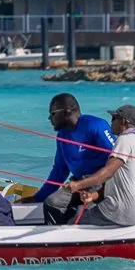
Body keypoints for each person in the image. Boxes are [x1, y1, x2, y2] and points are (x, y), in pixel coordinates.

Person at [25, 92, 116, 224]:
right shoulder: (62, 135)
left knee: (89, 210)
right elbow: (59, 171)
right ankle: (55, 239)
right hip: (77, 184)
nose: (49, 118)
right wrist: (38, 197)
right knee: (52, 202)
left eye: (53, 113)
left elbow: (116, 160)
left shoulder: (96, 125)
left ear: (67, 112)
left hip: (101, 185)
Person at [66, 105, 135, 227]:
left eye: (114, 118)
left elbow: (108, 172)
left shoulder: (124, 140)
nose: (111, 121)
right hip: (132, 212)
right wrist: (93, 196)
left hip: (120, 211)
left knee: (72, 223)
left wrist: (77, 185)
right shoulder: (134, 141)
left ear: (124, 121)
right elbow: (117, 183)